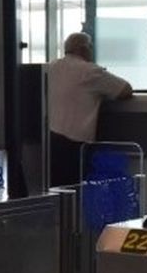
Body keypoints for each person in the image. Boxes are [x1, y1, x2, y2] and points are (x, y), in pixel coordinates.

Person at [46, 33, 133, 187]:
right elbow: (125, 89)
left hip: (48, 141)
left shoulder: (50, 68)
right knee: (73, 193)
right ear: (85, 49)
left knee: (54, 191)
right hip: (72, 146)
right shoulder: (90, 72)